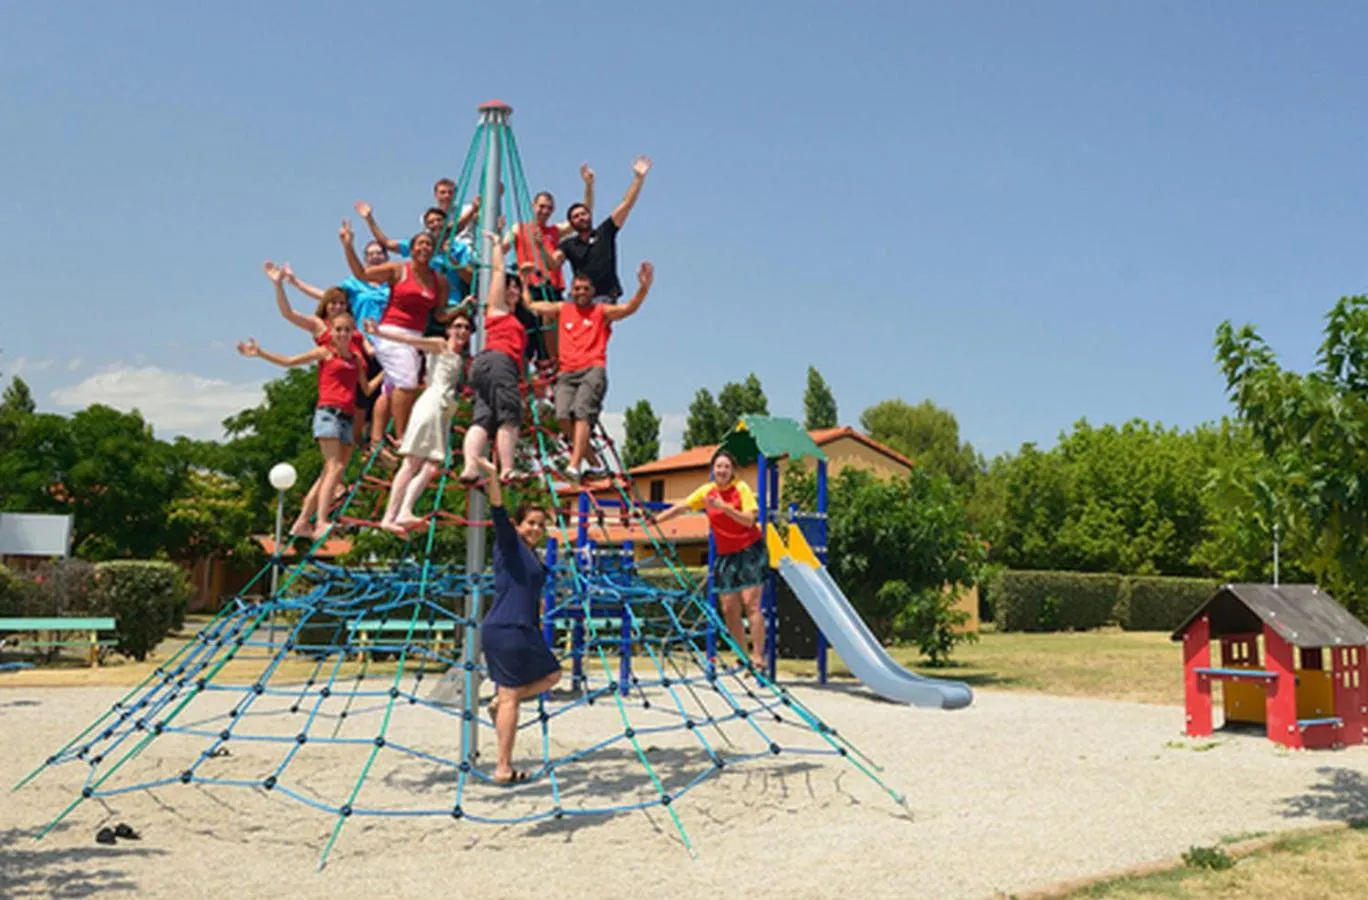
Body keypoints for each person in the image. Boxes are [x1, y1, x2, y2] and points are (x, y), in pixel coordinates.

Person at [235, 313, 382, 538]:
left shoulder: (355, 359)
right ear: (331, 332)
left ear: (353, 333)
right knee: (332, 467)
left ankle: (302, 522)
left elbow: (368, 389)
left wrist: (388, 372)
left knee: (333, 472)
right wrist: (260, 353)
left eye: (347, 330)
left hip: (347, 417)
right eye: (339, 329)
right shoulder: (325, 353)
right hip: (328, 414)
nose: (343, 334)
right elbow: (290, 361)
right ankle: (321, 522)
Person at [471, 452, 560, 786]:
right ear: (519, 525)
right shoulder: (510, 544)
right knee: (511, 697)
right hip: (506, 629)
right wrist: (493, 477)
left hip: (524, 630)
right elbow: (497, 511)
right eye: (530, 523)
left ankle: (500, 702)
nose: (535, 529)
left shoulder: (533, 555)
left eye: (540, 524)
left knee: (552, 675)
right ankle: (503, 767)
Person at [522, 263, 654, 480]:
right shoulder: (563, 309)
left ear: (592, 292)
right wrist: (523, 278)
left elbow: (628, 308)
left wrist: (643, 288)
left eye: (585, 289)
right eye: (577, 289)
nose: (581, 292)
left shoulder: (600, 312)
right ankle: (594, 462)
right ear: (571, 291)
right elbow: (530, 305)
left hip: (592, 369)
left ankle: (574, 466)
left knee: (581, 411)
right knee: (563, 416)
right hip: (566, 372)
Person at [362, 313, 473, 535]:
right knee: (412, 462)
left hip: (442, 411)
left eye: (467, 328)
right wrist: (379, 333)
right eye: (457, 326)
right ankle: (391, 515)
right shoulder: (439, 345)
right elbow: (410, 341)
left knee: (432, 465)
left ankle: (403, 511)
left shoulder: (461, 358)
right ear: (449, 329)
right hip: (432, 404)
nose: (462, 331)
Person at [653, 450, 766, 666]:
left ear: (732, 471)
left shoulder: (741, 489)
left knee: (751, 604)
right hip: (726, 555)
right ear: (713, 470)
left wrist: (725, 507)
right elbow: (682, 507)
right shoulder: (707, 492)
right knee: (729, 608)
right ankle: (742, 655)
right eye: (718, 467)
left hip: (749, 549)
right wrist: (656, 520)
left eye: (726, 467)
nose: (722, 470)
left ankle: (758, 655)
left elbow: (749, 521)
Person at [351, 228, 449, 442]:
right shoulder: (398, 270)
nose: (424, 248)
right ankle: (402, 435)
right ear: (411, 249)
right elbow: (362, 274)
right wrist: (348, 245)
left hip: (415, 338)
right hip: (391, 332)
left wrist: (462, 309)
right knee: (407, 383)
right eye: (420, 243)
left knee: (392, 386)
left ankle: (377, 438)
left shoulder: (439, 280)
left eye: (428, 244)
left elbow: (440, 315)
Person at [505, 165, 595, 362]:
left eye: (549, 208)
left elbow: (584, 215)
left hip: (551, 286)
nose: (544, 211)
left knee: (550, 336)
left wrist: (588, 185)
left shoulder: (555, 231)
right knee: (526, 334)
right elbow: (500, 248)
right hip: (528, 287)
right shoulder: (518, 228)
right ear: (533, 206)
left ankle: (549, 370)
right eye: (541, 206)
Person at [459, 233, 525, 484]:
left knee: (483, 418)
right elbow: (498, 271)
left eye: (517, 286)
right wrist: (498, 246)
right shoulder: (497, 309)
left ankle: (470, 467)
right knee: (510, 415)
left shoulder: (511, 316)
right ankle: (507, 468)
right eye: (510, 286)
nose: (513, 290)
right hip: (499, 361)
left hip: (484, 365)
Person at [553, 157, 652, 303]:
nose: (581, 218)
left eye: (583, 214)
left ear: (590, 216)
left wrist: (638, 178)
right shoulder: (568, 244)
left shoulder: (605, 231)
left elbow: (626, 205)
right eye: (576, 216)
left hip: (604, 298)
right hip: (579, 298)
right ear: (571, 223)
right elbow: (553, 262)